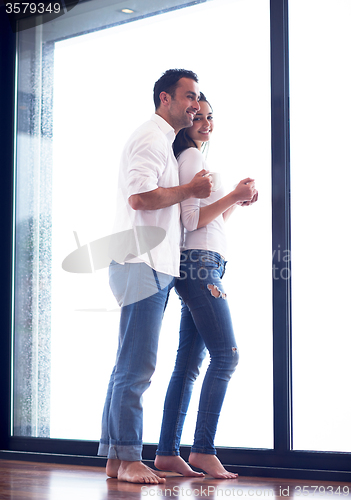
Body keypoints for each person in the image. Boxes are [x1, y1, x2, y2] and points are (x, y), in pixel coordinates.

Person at [98, 70, 212, 484]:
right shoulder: (150, 137)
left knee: (128, 364)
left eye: (197, 97)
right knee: (137, 365)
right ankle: (129, 459)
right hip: (139, 260)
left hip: (151, 263)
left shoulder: (162, 140)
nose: (195, 104)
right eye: (188, 96)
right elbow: (140, 197)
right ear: (165, 98)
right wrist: (191, 191)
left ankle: (115, 459)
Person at [154, 93, 258, 479]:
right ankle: (202, 450)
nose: (206, 123)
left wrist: (236, 201)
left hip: (203, 262)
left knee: (188, 365)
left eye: (211, 117)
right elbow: (192, 222)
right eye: (199, 116)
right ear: (186, 119)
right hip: (200, 267)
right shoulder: (192, 157)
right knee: (226, 357)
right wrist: (231, 193)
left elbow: (209, 223)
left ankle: (167, 453)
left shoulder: (197, 159)